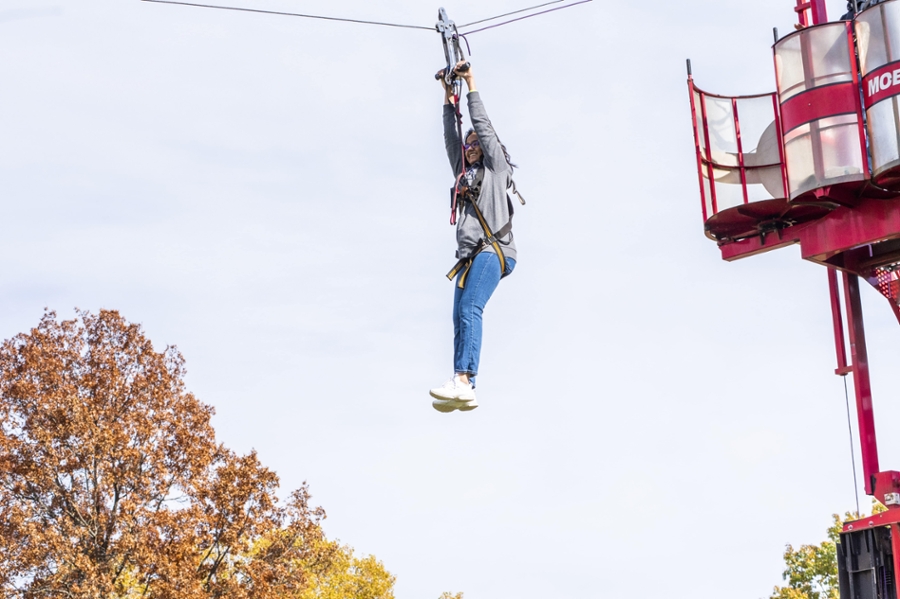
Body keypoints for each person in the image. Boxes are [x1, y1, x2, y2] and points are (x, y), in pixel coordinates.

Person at [429, 60, 518, 414]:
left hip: (493, 250)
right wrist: (448, 100)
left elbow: (481, 125)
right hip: (470, 257)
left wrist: (470, 86)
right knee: (458, 317)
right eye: (468, 145)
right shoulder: (464, 172)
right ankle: (464, 383)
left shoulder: (496, 169)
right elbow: (451, 138)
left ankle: (465, 379)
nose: (469, 146)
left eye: (475, 143)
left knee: (470, 309)